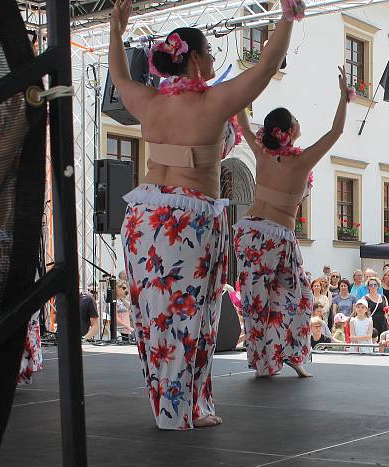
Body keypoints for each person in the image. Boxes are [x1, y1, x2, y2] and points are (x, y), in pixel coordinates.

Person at [110, 0, 299, 428]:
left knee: (157, 318)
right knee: (193, 313)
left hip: (143, 219)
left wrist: (116, 33)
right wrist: (289, 17)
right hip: (188, 222)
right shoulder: (215, 101)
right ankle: (185, 407)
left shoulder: (148, 102)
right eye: (210, 53)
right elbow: (267, 66)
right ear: (193, 60)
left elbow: (120, 76)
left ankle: (171, 405)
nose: (214, 59)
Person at [234, 66, 349, 380]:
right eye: (295, 120)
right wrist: (343, 98)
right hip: (275, 235)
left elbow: (242, 117)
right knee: (299, 297)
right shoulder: (301, 160)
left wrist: (246, 85)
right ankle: (291, 356)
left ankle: (266, 363)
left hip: (250, 232)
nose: (300, 122)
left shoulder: (261, 152)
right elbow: (335, 133)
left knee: (259, 301)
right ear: (289, 130)